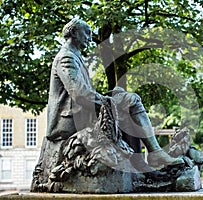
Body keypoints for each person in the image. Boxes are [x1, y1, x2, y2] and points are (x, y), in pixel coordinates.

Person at [46, 18, 183, 168]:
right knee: (129, 101)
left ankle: (141, 160)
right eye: (86, 33)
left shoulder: (75, 56)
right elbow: (80, 94)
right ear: (73, 32)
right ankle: (152, 154)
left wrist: (110, 96)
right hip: (71, 121)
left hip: (82, 112)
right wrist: (108, 101)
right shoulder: (66, 57)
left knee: (124, 98)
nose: (90, 38)